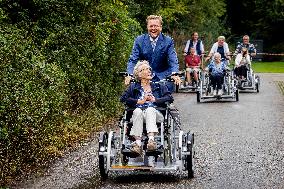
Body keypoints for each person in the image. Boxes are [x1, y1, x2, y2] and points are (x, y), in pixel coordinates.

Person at [120, 60, 174, 155]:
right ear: (139, 74)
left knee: (150, 109)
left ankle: (151, 141)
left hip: (156, 114)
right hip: (138, 115)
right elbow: (123, 98)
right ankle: (138, 144)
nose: (149, 71)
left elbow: (169, 98)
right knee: (137, 110)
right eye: (145, 69)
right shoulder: (133, 87)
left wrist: (155, 100)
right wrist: (138, 101)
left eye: (149, 69)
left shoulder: (159, 85)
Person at [125, 15, 181, 90]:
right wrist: (130, 74)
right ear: (147, 27)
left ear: (160, 27)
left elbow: (173, 59)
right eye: (151, 26)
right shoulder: (139, 40)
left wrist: (174, 73)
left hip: (163, 78)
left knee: (164, 99)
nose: (153, 28)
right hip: (144, 78)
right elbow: (133, 59)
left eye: (156, 26)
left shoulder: (168, 41)